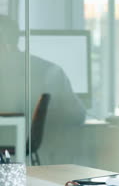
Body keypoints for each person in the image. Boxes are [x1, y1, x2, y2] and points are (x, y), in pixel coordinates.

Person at [0, 15, 86, 164]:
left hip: (16, 163)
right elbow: (78, 115)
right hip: (36, 162)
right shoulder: (50, 71)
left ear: (5, 43)